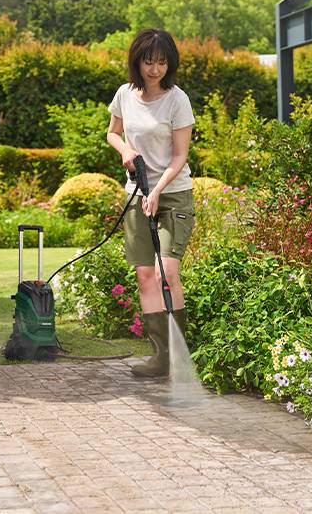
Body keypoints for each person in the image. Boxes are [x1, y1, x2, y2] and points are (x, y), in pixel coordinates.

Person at [106, 28, 195, 377]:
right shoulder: (125, 95)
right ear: (137, 61)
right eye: (148, 62)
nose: (155, 69)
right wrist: (125, 148)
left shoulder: (177, 99)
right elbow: (112, 132)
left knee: (166, 272)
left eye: (161, 62)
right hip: (137, 195)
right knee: (145, 277)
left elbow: (180, 156)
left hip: (172, 195)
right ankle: (160, 359)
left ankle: (179, 357)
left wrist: (157, 191)